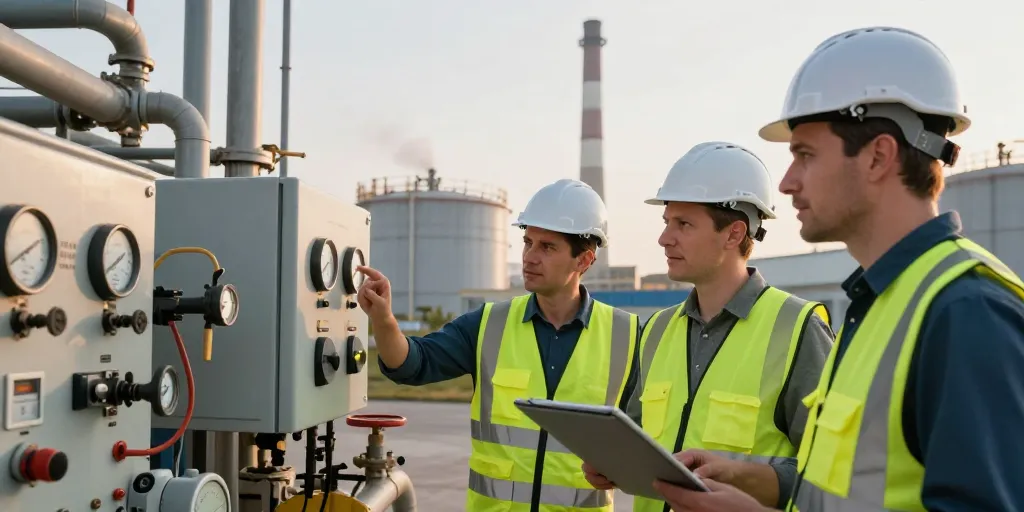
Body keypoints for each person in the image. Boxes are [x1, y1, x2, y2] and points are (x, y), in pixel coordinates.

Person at [653, 26, 1024, 511]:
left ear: (877, 156)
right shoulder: (877, 306)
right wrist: (753, 479)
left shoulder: (967, 311)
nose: (786, 183)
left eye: (805, 155)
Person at [356, 178, 641, 512]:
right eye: (528, 242)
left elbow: (649, 439)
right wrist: (384, 319)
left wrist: (623, 468)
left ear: (584, 261)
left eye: (547, 247)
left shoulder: (627, 335)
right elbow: (410, 364)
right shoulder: (488, 324)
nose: (530, 257)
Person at [581, 141, 835, 511]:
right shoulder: (656, 330)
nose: (664, 238)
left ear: (733, 234)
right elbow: (640, 441)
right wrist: (614, 464)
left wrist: (742, 477)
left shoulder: (798, 329)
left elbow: (831, 475)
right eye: (667, 222)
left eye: (683, 224)